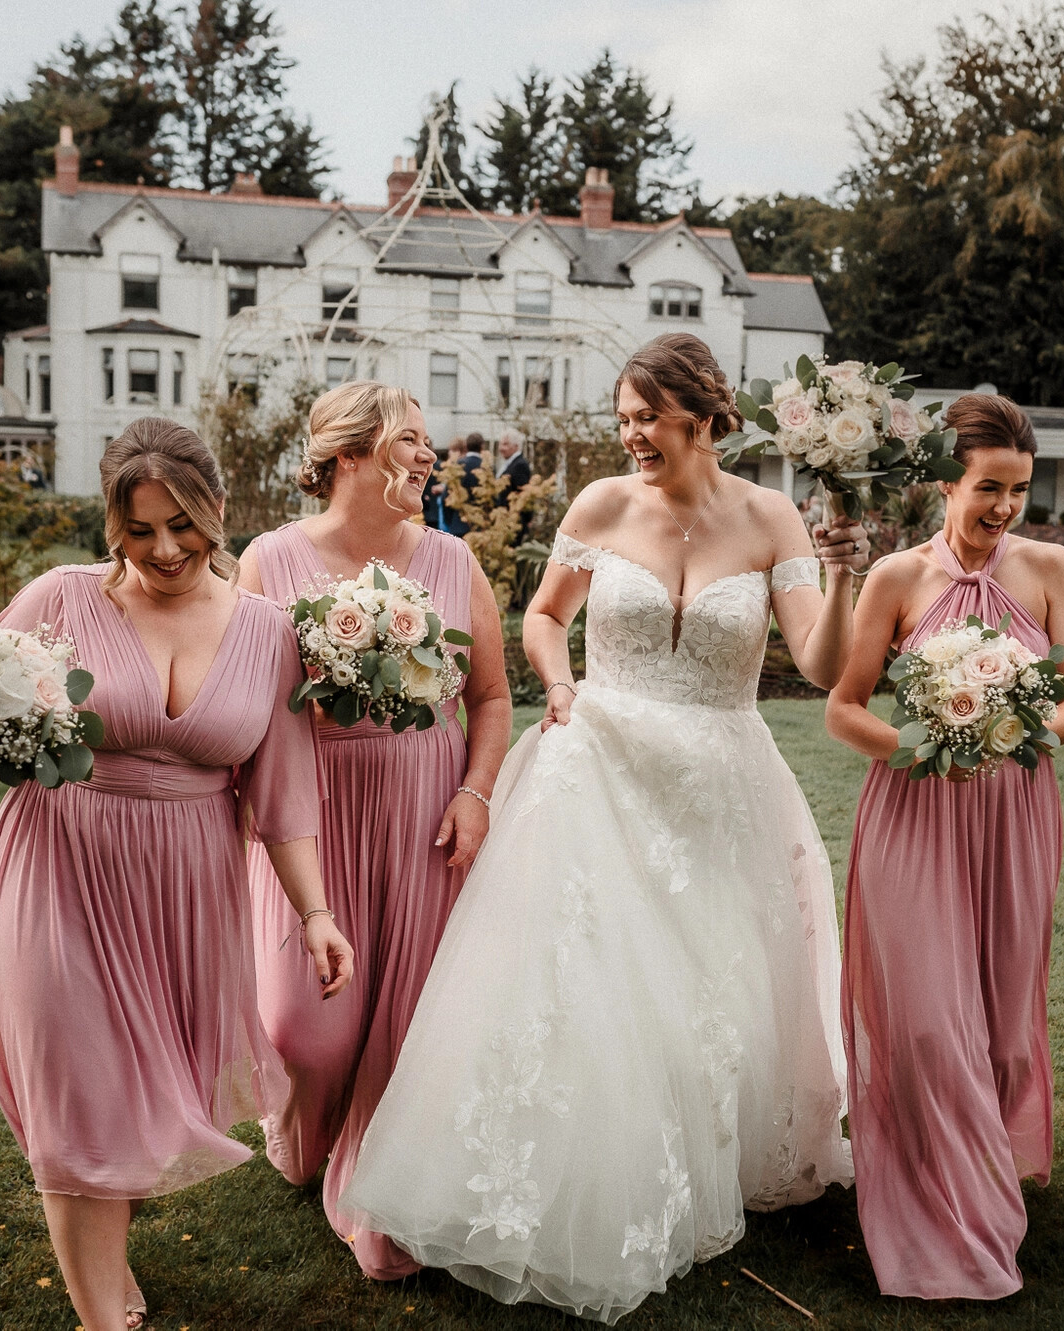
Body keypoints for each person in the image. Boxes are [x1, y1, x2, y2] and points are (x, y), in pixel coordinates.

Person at [342, 332, 869, 1323]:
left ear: (703, 418)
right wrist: (560, 681)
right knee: (585, 975)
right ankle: (567, 1169)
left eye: (646, 419)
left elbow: (822, 658)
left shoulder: (770, 518)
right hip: (600, 756)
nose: (629, 434)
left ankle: (687, 1152)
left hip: (719, 778)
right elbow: (544, 614)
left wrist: (840, 574)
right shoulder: (598, 505)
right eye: (622, 418)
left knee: (704, 979)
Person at [0, 418, 355, 1331]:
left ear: (219, 510)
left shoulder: (270, 631)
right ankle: (101, 1316)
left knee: (131, 1097)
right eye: (140, 529)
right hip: (60, 866)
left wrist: (316, 911)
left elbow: (282, 793)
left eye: (182, 525)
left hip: (188, 886)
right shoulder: (58, 599)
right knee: (80, 1092)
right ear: (112, 526)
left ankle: (106, 1272)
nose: (164, 549)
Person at [825, 393, 1064, 1299]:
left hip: (1016, 814)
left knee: (1006, 1033)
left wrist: (1011, 732)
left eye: (1018, 489)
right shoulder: (898, 578)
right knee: (931, 1026)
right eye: (989, 486)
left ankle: (981, 1179)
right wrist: (924, 741)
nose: (1004, 507)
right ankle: (949, 1225)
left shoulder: (1054, 568)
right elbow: (844, 705)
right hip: (914, 814)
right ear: (948, 479)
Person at [237, 383, 511, 1277]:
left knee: (404, 1029)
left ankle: (380, 1185)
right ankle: (302, 1126)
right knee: (301, 1030)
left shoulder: (454, 561)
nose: (428, 456)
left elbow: (494, 697)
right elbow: (240, 700)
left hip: (424, 816)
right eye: (409, 441)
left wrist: (475, 792)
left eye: (429, 442)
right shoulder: (268, 562)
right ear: (348, 454)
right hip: (305, 820)